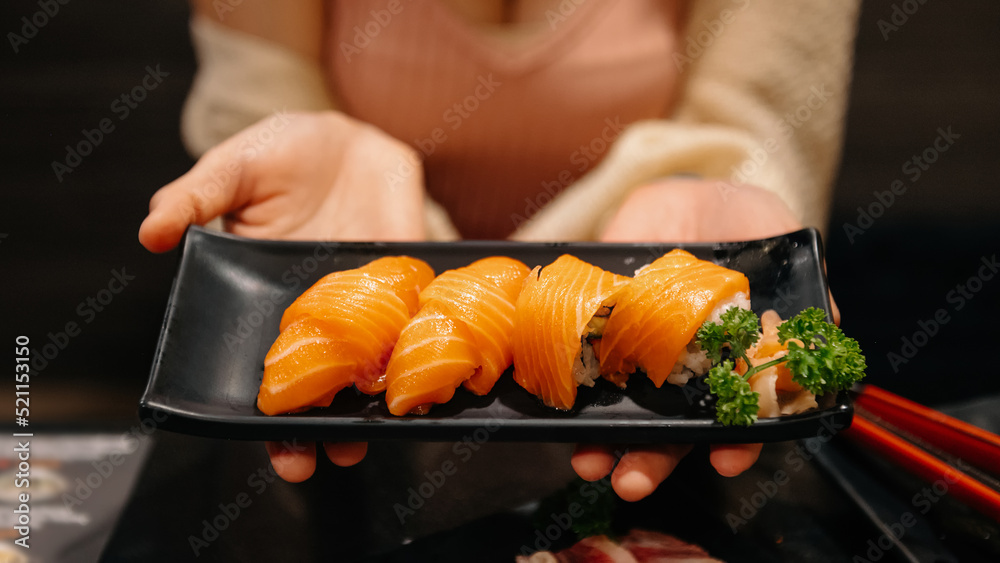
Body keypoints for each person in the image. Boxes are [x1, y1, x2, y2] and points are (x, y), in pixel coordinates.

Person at [139, 0, 857, 508]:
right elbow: (259, 97)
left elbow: (762, 118)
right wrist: (345, 193)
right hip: (356, 477)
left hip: (649, 460)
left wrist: (709, 194)